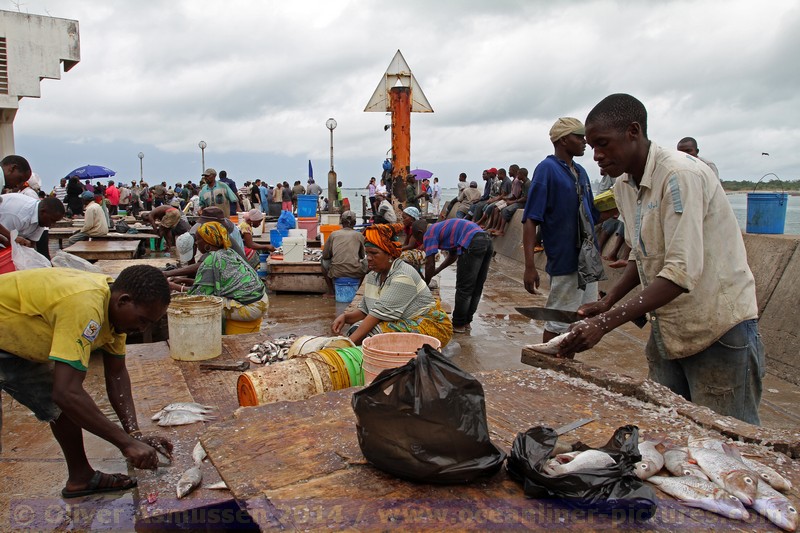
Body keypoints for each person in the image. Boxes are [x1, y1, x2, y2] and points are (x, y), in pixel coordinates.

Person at [559, 93, 763, 425]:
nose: (596, 155)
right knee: (667, 431)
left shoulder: (678, 175)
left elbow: (680, 271)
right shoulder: (625, 184)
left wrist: (604, 324)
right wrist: (608, 302)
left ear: (633, 132)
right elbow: (643, 256)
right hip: (669, 327)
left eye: (603, 144)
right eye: (592, 146)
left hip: (718, 327)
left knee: (728, 442)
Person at [0, 265, 173, 497]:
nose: (143, 329)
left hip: (13, 342)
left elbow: (117, 373)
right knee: (67, 394)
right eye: (142, 320)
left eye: (149, 323)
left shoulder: (114, 314)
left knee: (63, 401)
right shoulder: (85, 307)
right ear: (123, 300)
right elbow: (67, 393)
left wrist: (134, 434)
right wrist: (125, 443)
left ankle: (80, 477)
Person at [522, 117, 602, 344]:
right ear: (564, 140)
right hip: (565, 257)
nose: (585, 142)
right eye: (579, 137)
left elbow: (590, 215)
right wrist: (529, 266)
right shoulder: (547, 169)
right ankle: (550, 370)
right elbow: (530, 219)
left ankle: (565, 366)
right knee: (559, 320)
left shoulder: (581, 172)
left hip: (588, 258)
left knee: (582, 319)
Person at [331, 223, 452, 347]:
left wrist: (346, 345)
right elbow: (365, 310)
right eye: (367, 253)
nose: (369, 258)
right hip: (401, 320)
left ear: (389, 254)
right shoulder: (374, 275)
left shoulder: (403, 276)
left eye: (374, 253)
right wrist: (345, 317)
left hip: (429, 325)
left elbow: (375, 316)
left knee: (374, 336)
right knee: (357, 329)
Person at [170, 221, 269, 334]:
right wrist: (184, 280)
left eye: (198, 240)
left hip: (251, 308)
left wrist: (174, 286)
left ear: (207, 242)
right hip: (261, 300)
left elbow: (200, 295)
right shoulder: (229, 252)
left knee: (204, 304)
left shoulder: (211, 259)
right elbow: (218, 284)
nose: (196, 243)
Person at [419, 218, 492, 334]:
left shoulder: (429, 232)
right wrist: (436, 271)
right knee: (477, 287)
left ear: (420, 232)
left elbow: (429, 263)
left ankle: (458, 324)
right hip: (486, 240)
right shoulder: (443, 229)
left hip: (472, 241)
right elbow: (452, 257)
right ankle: (466, 322)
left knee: (464, 288)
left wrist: (424, 285)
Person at [321, 210, 367, 296]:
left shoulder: (333, 234)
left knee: (322, 261)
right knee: (367, 263)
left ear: (341, 222)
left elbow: (325, 255)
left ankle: (331, 291)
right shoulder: (359, 235)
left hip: (336, 271)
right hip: (355, 271)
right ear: (355, 223)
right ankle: (358, 289)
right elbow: (362, 256)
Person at [0, 194, 65, 248]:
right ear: (43, 212)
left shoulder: (42, 219)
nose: (52, 225)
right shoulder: (18, 216)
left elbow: (31, 245)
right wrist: (13, 239)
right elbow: (3, 240)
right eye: (52, 220)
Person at [486, 167, 531, 237]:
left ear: (522, 174)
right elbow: (519, 195)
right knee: (502, 209)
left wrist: (513, 201)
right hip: (519, 201)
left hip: (524, 204)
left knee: (506, 210)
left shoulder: (527, 184)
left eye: (518, 174)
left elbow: (525, 198)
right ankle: (497, 228)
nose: (517, 176)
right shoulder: (524, 183)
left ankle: (501, 231)